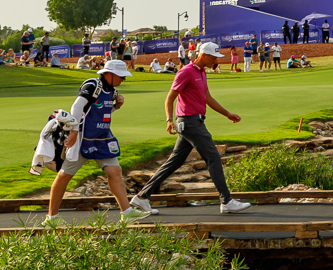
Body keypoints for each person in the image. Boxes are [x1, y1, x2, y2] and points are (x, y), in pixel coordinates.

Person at [129, 41, 250, 215]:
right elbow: (170, 98)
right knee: (213, 157)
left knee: (175, 162)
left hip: (193, 122)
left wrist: (227, 114)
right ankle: (227, 201)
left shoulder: (202, 72)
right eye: (214, 57)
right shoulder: (185, 72)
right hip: (189, 122)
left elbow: (208, 98)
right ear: (204, 55)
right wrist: (169, 119)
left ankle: (141, 197)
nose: (216, 61)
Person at [41, 60, 145, 223]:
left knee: (115, 171)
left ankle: (127, 212)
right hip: (83, 139)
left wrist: (116, 106)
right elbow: (77, 107)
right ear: (109, 74)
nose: (123, 79)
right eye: (121, 76)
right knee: (64, 176)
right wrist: (74, 132)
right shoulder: (92, 85)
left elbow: (99, 113)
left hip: (103, 138)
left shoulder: (112, 90)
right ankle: (51, 218)